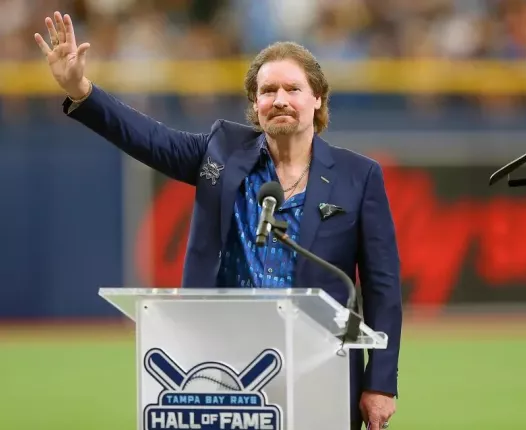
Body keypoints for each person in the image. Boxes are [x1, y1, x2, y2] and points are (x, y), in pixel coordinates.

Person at [34, 11, 402, 430]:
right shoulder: (220, 151)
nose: (279, 99)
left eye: (292, 89)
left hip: (319, 366)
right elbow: (147, 137)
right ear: (255, 104)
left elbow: (382, 286)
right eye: (267, 90)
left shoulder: (359, 176)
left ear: (318, 99)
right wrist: (81, 90)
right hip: (221, 365)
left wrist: (380, 384)